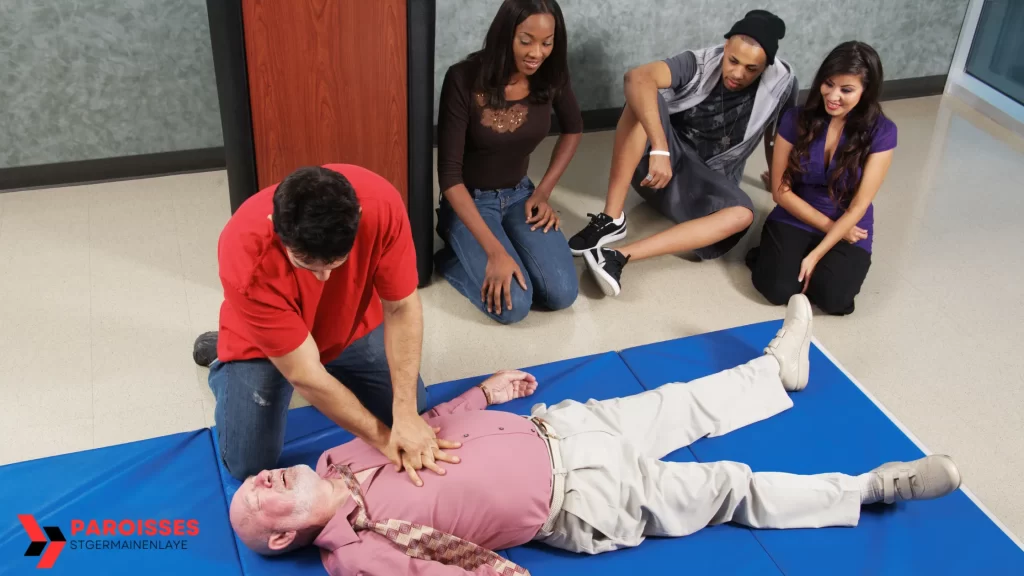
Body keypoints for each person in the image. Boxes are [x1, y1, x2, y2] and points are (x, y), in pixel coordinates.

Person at [227, 294, 962, 575]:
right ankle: (871, 490)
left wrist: (482, 393)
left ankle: (779, 369)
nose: (262, 479)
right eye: (260, 501)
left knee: (680, 403)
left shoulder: (333, 451)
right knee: (726, 485)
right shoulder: (355, 555)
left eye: (258, 479)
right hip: (582, 498)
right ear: (287, 537)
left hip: (561, 429)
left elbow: (417, 430)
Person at [192, 164, 460, 485]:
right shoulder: (245, 251)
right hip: (263, 344)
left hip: (345, 326)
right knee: (248, 463)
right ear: (274, 227)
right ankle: (225, 358)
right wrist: (386, 442)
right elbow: (304, 374)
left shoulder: (381, 205)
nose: (324, 278)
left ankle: (331, 366)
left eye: (336, 263)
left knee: (414, 404)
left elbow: (402, 307)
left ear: (357, 216)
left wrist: (404, 414)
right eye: (307, 265)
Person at [567, 9, 799, 297]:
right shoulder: (698, 63)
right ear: (725, 47)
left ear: (767, 66)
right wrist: (661, 148)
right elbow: (636, 78)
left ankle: (617, 257)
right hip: (657, 169)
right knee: (640, 99)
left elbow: (779, 134)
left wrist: (780, 179)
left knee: (743, 215)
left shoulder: (783, 83)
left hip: (704, 187)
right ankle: (612, 219)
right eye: (733, 61)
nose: (738, 74)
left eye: (752, 69)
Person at [435, 0, 583, 324]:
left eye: (547, 42)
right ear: (506, 35)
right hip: (470, 202)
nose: (537, 53)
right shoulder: (462, 78)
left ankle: (494, 248)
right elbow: (448, 176)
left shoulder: (551, 75)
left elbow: (574, 129)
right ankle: (450, 259)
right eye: (526, 40)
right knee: (515, 305)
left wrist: (543, 192)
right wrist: (494, 252)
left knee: (562, 294)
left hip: (521, 195)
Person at [746, 41, 895, 315]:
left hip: (849, 224)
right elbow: (780, 191)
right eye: (828, 84)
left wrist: (817, 254)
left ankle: (805, 261)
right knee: (777, 290)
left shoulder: (883, 132)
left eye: (846, 90)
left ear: (867, 91)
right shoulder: (795, 119)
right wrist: (830, 228)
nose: (833, 96)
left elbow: (859, 206)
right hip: (796, 213)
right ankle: (766, 254)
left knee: (834, 299)